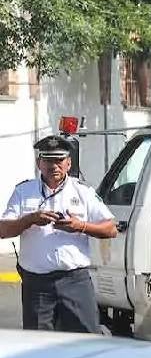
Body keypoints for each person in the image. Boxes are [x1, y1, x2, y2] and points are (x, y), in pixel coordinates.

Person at [0, 135, 118, 333]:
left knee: (85, 340)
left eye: (59, 160)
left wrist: (80, 226)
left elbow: (111, 229)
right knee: (39, 345)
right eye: (48, 160)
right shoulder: (23, 191)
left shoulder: (82, 191)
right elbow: (3, 230)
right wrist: (30, 220)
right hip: (37, 284)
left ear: (68, 163)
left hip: (75, 281)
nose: (53, 166)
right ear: (39, 163)